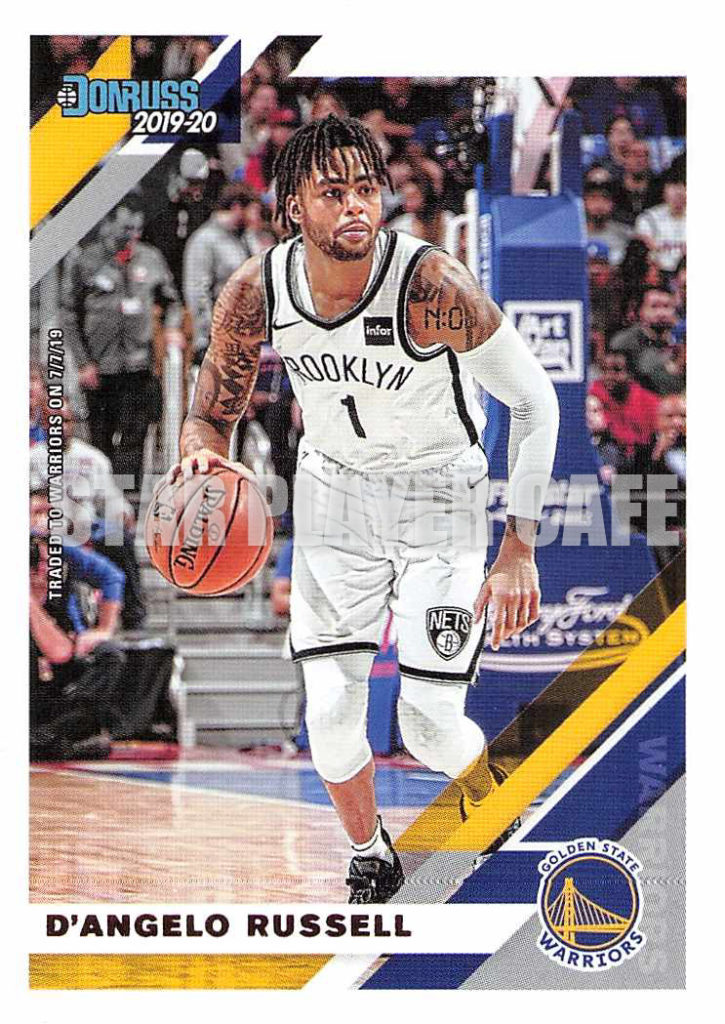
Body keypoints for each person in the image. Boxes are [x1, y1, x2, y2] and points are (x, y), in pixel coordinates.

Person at [167, 114, 559, 904]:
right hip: (334, 495)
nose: (354, 205)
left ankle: (502, 805)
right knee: (331, 716)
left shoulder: (431, 286)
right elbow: (209, 414)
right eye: (332, 192)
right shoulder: (257, 289)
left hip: (437, 496)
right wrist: (200, 455)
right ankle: (369, 855)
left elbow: (534, 401)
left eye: (366, 189)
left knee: (428, 721)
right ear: (293, 209)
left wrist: (518, 546)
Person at [60, 202, 184, 490]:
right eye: (125, 231)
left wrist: (171, 327)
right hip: (99, 368)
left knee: (135, 435)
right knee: (101, 436)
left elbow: (171, 301)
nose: (132, 237)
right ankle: (102, 499)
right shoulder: (86, 260)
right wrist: (83, 362)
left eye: (136, 231)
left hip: (138, 366)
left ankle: (128, 499)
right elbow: (68, 313)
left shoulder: (150, 258)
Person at [29, 403, 146, 629]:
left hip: (88, 527)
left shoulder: (93, 458)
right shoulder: (31, 459)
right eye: (54, 421)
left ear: (73, 423)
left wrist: (122, 510)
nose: (60, 427)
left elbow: (110, 496)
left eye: (65, 421)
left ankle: (133, 616)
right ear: (44, 423)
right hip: (48, 531)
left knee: (120, 539)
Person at [183, 184, 260, 362]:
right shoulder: (205, 240)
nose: (257, 217)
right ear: (237, 208)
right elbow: (197, 291)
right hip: (216, 341)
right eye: (253, 211)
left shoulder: (245, 239)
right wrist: (210, 334)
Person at [610, 285, 685, 395]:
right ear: (641, 311)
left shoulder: (680, 341)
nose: (661, 313)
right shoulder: (624, 342)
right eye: (654, 307)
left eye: (666, 306)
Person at [588, 350, 659, 458]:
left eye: (617, 370)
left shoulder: (648, 401)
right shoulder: (594, 394)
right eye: (604, 370)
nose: (609, 376)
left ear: (630, 374)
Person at [634, 166, 686, 275]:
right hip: (658, 276)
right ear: (664, 189)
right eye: (673, 186)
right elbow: (644, 257)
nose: (679, 192)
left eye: (684, 185)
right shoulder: (647, 219)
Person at [583, 171, 632, 266]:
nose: (599, 204)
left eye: (605, 198)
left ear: (612, 203)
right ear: (584, 202)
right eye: (593, 198)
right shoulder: (575, 235)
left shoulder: (625, 234)